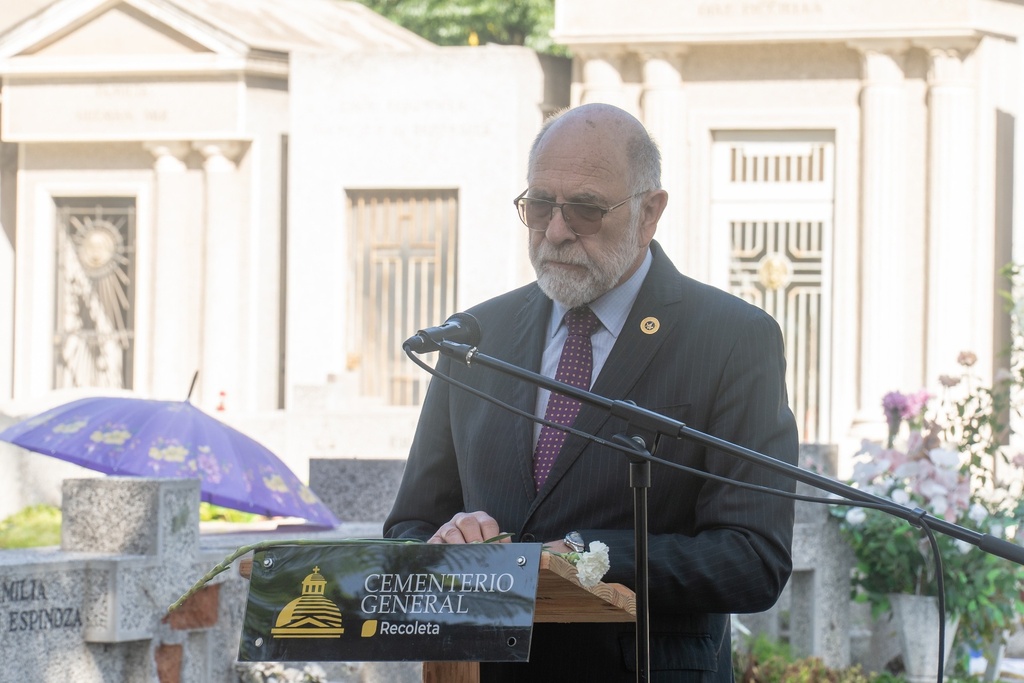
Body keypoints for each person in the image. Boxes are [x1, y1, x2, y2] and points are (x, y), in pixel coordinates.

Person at [384, 102, 799, 682]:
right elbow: (409, 526)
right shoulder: (476, 335)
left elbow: (753, 559)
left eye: (585, 208)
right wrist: (448, 541)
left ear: (649, 212)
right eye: (538, 206)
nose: (556, 231)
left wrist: (585, 558)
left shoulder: (731, 338)